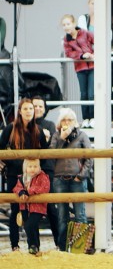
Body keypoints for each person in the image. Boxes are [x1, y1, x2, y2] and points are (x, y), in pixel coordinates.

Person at [0, 98, 49, 251]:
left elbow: (45, 151)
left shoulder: (38, 130)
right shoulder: (10, 129)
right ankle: (15, 245)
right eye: (25, 109)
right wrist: (8, 165)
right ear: (20, 111)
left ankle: (33, 245)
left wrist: (49, 137)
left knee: (33, 209)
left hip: (34, 176)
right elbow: (1, 148)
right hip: (15, 175)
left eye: (31, 109)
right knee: (16, 210)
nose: (28, 111)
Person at [49, 108, 92, 251]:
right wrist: (62, 138)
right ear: (59, 123)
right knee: (62, 215)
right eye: (64, 120)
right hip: (59, 179)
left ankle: (81, 247)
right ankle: (63, 247)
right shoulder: (56, 136)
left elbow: (89, 157)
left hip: (77, 179)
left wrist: (81, 175)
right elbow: (51, 155)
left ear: (75, 122)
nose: (67, 122)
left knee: (80, 213)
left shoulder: (82, 135)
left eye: (70, 120)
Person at [32, 96, 59, 247]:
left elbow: (53, 145)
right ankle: (34, 244)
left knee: (51, 207)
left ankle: (58, 242)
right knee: (32, 208)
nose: (37, 109)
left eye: (40, 106)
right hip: (30, 169)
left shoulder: (50, 124)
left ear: (45, 108)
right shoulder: (24, 126)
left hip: (47, 168)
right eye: (34, 106)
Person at [61, 13, 95, 128]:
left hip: (92, 66)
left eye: (68, 24)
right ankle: (85, 118)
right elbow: (69, 53)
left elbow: (97, 41)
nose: (66, 27)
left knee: (91, 94)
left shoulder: (84, 33)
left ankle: (93, 118)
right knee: (83, 94)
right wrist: (82, 56)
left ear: (74, 24)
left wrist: (93, 54)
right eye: (64, 25)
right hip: (80, 67)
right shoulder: (66, 39)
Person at [12, 158, 50, 255]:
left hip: (38, 207)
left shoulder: (42, 176)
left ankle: (34, 245)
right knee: (32, 227)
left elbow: (45, 188)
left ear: (39, 167)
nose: (32, 169)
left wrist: (29, 191)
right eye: (30, 166)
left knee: (29, 225)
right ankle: (33, 247)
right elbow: (16, 188)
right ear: (25, 168)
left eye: (35, 166)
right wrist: (21, 192)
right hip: (24, 207)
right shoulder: (22, 178)